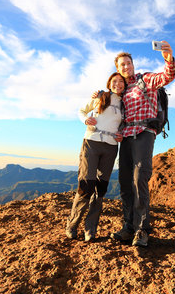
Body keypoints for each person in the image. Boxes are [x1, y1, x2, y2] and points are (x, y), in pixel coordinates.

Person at [110, 41, 175, 247]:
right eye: (122, 65)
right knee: (125, 181)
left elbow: (167, 76)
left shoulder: (145, 79)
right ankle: (129, 226)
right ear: (117, 69)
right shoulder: (121, 90)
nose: (126, 67)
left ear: (133, 64)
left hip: (145, 132)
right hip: (127, 136)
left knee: (139, 179)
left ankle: (142, 229)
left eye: (128, 63)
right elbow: (120, 116)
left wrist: (168, 59)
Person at [65, 72, 126, 242]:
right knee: (86, 185)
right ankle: (72, 224)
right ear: (109, 83)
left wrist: (120, 134)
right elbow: (81, 110)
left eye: (121, 82)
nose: (118, 84)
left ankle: (90, 228)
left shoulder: (125, 104)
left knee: (100, 189)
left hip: (111, 147)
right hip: (91, 143)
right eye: (115, 81)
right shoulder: (101, 97)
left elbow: (122, 125)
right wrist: (85, 119)